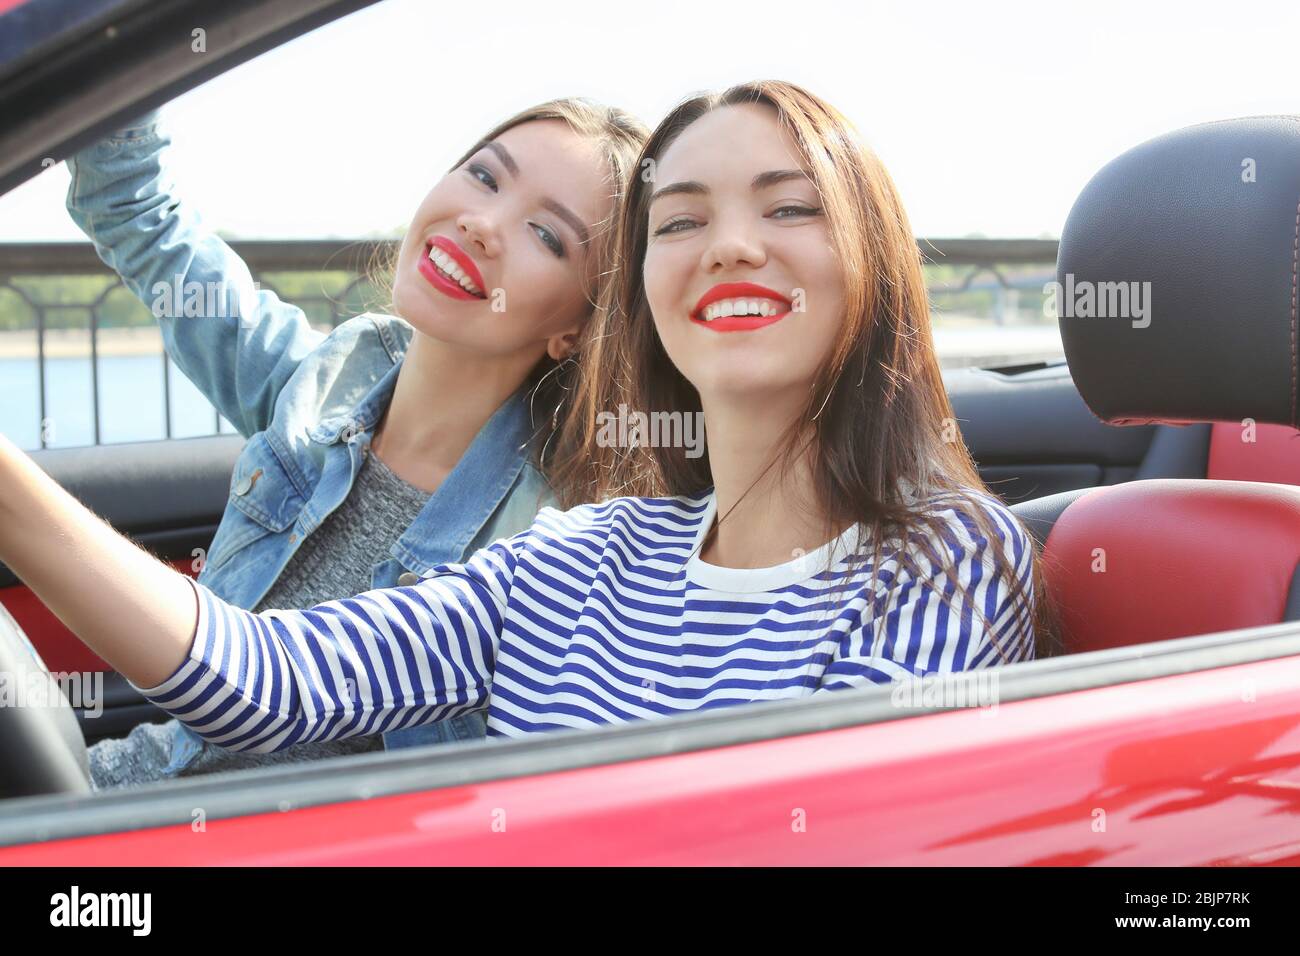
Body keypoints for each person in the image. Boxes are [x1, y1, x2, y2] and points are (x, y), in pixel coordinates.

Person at [0, 80, 1040, 752]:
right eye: (680, 220)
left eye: (788, 205)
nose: (726, 245)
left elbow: (831, 827)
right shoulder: (583, 554)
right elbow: (268, 677)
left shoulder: (942, 557)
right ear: (646, 291)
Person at [59, 96, 647, 786]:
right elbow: (141, 215)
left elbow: (257, 690)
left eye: (546, 235)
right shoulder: (323, 381)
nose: (482, 223)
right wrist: (117, 47)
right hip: (126, 793)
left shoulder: (548, 542)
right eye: (485, 177)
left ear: (577, 329)